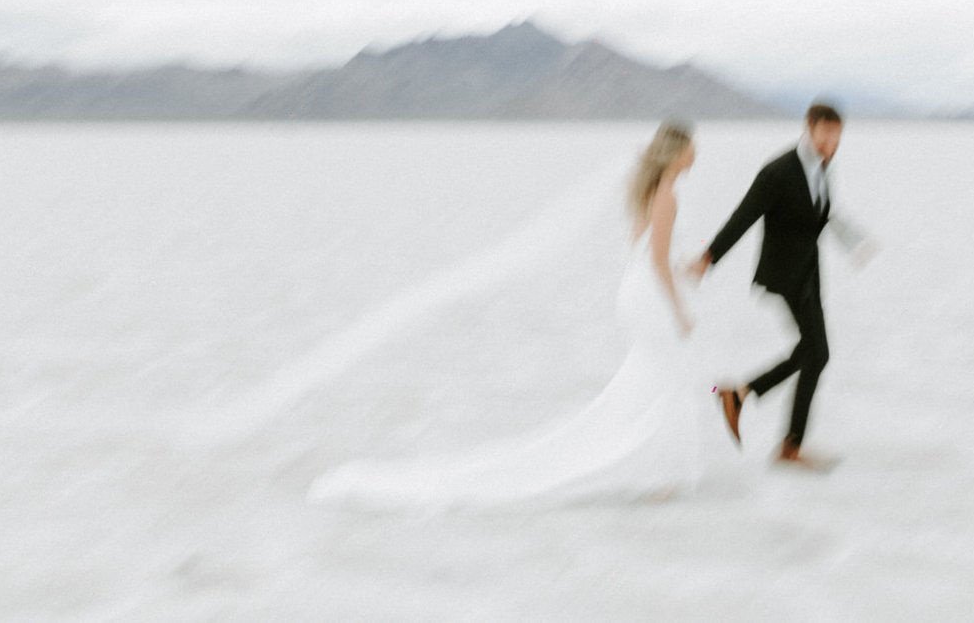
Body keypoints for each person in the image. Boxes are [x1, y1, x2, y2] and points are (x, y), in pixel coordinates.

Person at [309, 121, 741, 509]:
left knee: (654, 378)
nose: (695, 155)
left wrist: (687, 270)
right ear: (676, 151)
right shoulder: (667, 197)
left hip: (633, 293)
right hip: (651, 297)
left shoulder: (647, 191)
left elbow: (649, 253)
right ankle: (654, 472)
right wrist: (680, 310)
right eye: (691, 148)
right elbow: (660, 263)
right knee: (667, 379)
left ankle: (654, 469)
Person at [688, 102, 870, 471]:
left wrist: (854, 241)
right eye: (825, 134)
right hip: (786, 274)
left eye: (837, 136)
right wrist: (710, 256)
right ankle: (778, 435)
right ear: (809, 128)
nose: (831, 142)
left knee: (815, 353)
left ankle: (741, 397)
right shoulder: (780, 170)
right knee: (817, 352)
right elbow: (746, 213)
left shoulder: (821, 166)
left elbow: (822, 212)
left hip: (809, 273)